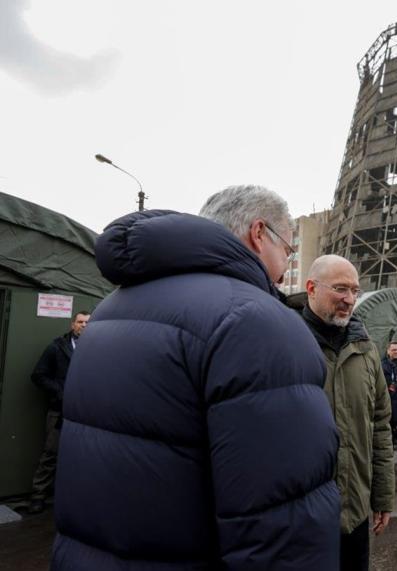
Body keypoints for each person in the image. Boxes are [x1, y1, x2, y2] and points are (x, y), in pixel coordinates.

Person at [53, 185, 340, 570]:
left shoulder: (108, 311)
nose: (287, 264)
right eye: (288, 249)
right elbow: (279, 518)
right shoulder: (256, 319)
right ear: (259, 233)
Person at [302, 255, 394, 570]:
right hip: (304, 515)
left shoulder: (366, 350)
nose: (350, 299)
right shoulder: (289, 343)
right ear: (311, 288)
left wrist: (382, 497)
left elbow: (380, 426)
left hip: (355, 512)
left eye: (355, 290)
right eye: (341, 289)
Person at [27, 311, 90, 514]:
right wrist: (59, 391)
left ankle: (74, 498)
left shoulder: (97, 348)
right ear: (73, 324)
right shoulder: (57, 347)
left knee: (81, 457)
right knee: (51, 455)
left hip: (85, 413)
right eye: (80, 322)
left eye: (88, 323)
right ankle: (37, 497)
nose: (84, 326)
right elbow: (38, 375)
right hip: (59, 412)